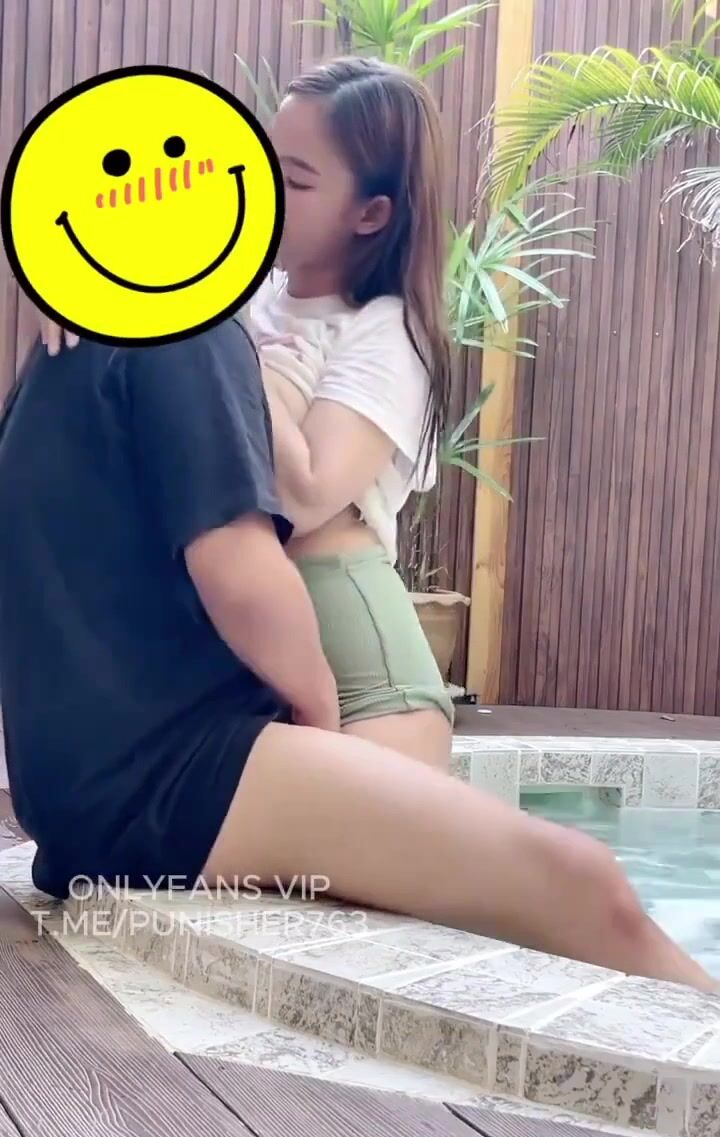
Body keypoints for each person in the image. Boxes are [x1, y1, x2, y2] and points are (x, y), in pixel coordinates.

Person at [0, 308, 715, 994]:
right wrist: (318, 711)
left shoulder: (65, 354)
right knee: (582, 883)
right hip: (165, 778)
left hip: (82, 794)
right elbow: (238, 570)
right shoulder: (181, 328)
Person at [39, 58, 456, 771]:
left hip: (361, 673)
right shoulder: (248, 296)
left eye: (294, 180)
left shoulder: (387, 329)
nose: (261, 187)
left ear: (371, 214)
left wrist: (226, 337)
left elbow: (304, 496)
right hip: (246, 655)